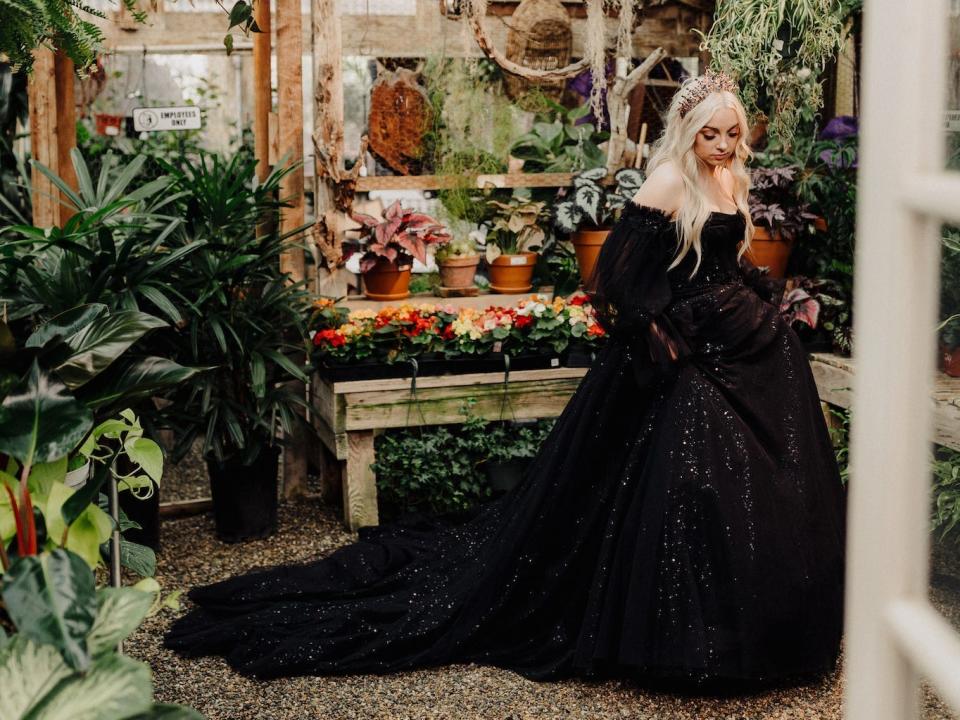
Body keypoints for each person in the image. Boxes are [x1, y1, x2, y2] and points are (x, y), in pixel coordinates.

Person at [164, 70, 846, 695]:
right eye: (711, 133)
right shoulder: (669, 179)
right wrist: (677, 330)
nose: (723, 145)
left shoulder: (731, 179)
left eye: (732, 133)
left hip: (741, 348)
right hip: (683, 359)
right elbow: (614, 281)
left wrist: (767, 305)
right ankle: (676, 637)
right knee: (691, 473)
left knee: (758, 483)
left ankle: (755, 627)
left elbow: (728, 262)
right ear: (687, 130)